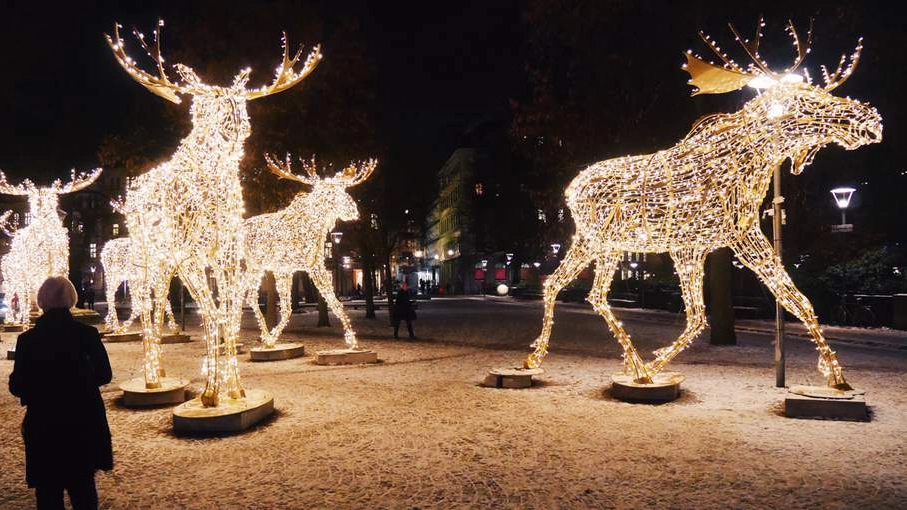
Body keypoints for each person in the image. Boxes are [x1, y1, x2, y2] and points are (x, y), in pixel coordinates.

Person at [9, 276, 113, 510]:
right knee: (84, 489)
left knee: (48, 492)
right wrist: (80, 384)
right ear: (71, 299)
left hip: (44, 424)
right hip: (82, 422)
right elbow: (105, 374)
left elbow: (17, 386)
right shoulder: (87, 335)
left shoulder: (28, 340)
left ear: (42, 301)